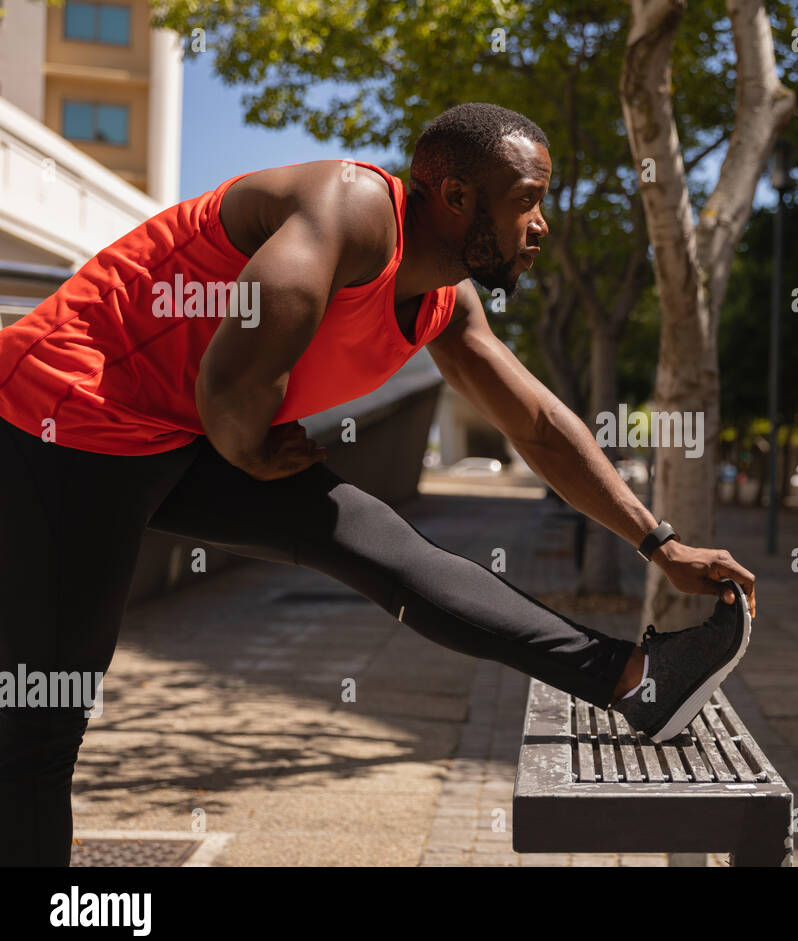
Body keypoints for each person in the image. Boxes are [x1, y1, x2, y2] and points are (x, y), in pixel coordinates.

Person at [0, 102, 757, 866]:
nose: (541, 225)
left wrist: (657, 542)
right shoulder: (348, 211)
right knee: (43, 721)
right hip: (64, 416)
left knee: (382, 545)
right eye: (526, 199)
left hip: (187, 432)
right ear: (457, 197)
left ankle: (636, 681)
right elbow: (230, 385)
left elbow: (535, 425)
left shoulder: (442, 301)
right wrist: (251, 450)